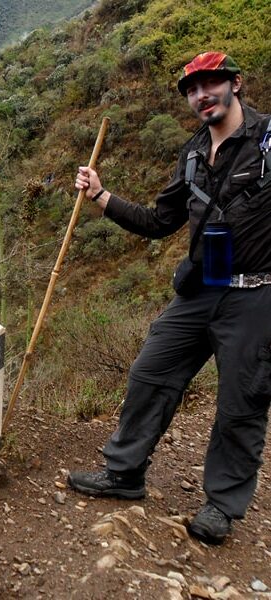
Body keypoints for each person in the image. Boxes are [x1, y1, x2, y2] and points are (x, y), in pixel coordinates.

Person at [69, 51, 271, 545]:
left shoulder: (269, 141)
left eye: (211, 84)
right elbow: (160, 222)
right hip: (200, 289)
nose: (202, 95)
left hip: (257, 295)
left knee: (240, 402)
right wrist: (100, 196)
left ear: (236, 84)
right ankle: (124, 474)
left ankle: (222, 506)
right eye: (192, 90)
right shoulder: (192, 154)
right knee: (149, 373)